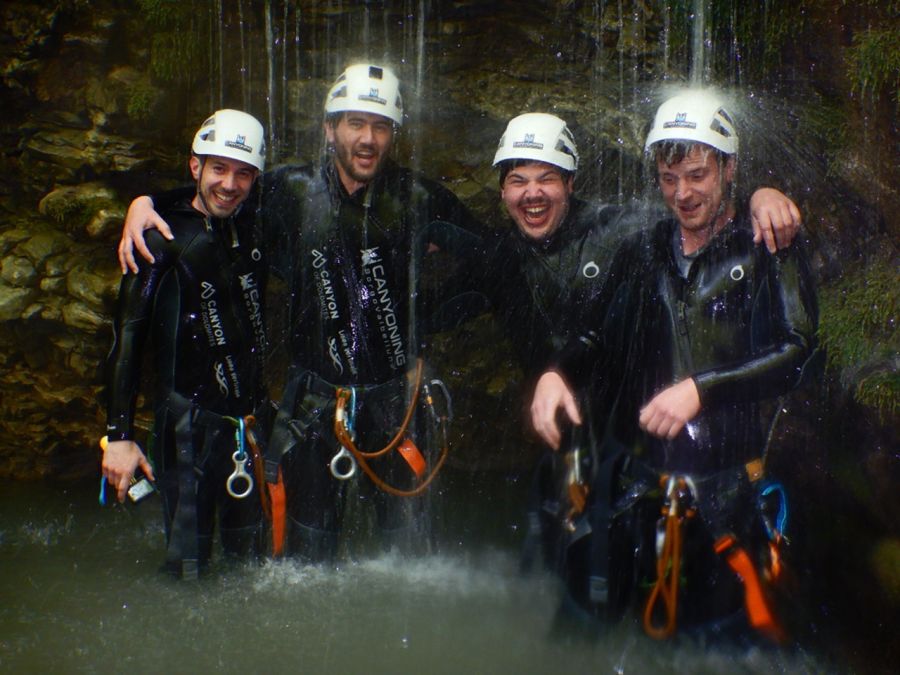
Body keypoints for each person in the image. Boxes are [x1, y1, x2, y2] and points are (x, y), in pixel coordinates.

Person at [116, 63, 484, 563]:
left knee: (409, 555)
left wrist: (424, 324)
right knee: (308, 559)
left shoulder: (418, 198)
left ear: (393, 135)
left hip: (393, 399)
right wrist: (147, 201)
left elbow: (495, 260)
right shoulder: (289, 190)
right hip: (312, 400)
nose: (368, 138)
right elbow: (219, 194)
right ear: (330, 129)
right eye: (355, 123)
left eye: (379, 126)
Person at [487, 112, 804, 625]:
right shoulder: (647, 248)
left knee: (719, 639)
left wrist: (701, 390)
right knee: (597, 623)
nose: (682, 193)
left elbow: (796, 351)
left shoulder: (767, 243)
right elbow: (597, 332)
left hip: (731, 492)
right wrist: (554, 374)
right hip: (646, 491)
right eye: (669, 178)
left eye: (698, 175)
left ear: (729, 170)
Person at [103, 109, 270, 579]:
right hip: (186, 432)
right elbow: (127, 339)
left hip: (249, 425)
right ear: (195, 167)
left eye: (243, 173)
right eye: (218, 168)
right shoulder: (158, 241)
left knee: (251, 567)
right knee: (187, 570)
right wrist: (119, 436)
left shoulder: (253, 224)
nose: (229, 184)